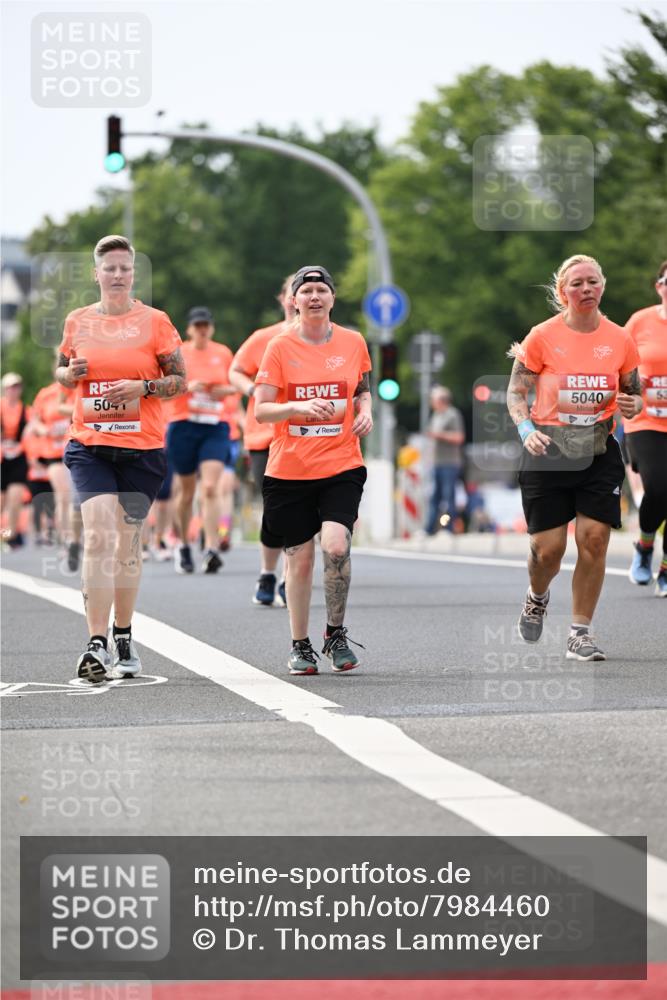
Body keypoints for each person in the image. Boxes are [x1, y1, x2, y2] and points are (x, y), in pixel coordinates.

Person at [56, 234, 186, 683]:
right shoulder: (77, 321)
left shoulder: (155, 322)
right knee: (97, 536)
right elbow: (60, 369)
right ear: (96, 274)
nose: (116, 275)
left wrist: (142, 387)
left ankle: (124, 633)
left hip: (142, 449)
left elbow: (179, 381)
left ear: (133, 274)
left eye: (124, 268)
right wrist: (68, 374)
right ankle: (96, 642)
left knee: (127, 546)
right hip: (89, 444)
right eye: (108, 268)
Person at [506, 254, 642, 661]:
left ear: (603, 286)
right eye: (577, 283)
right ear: (562, 292)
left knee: (594, 539)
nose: (586, 289)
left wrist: (632, 405)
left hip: (598, 451)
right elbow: (516, 392)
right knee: (547, 551)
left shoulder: (620, 339)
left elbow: (632, 392)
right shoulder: (542, 336)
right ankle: (537, 595)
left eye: (593, 282)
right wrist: (526, 429)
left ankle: (579, 632)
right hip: (548, 450)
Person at [254, 265, 373, 675]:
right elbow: (261, 410)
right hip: (290, 470)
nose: (315, 297)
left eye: (322, 290)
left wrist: (366, 412)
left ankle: (335, 634)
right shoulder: (279, 347)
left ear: (332, 298)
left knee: (336, 546)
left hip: (342, 463)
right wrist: (296, 408)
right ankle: (300, 645)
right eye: (307, 291)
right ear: (294, 301)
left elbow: (361, 387)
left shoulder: (353, 341)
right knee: (299, 561)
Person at [229, 275, 295, 606]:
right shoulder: (264, 338)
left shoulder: (324, 342)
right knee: (275, 507)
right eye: (293, 291)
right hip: (264, 435)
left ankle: (288, 579)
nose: (299, 298)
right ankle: (268, 573)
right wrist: (253, 390)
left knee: (301, 511)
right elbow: (235, 371)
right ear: (283, 298)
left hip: (304, 435)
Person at [166, 306, 236, 574]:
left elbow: (234, 385)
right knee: (186, 492)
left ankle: (211, 547)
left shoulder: (223, 353)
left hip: (215, 426)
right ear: (189, 329)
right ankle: (183, 545)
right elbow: (164, 389)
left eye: (206, 325)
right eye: (197, 326)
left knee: (209, 487)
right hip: (183, 424)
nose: (202, 330)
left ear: (212, 328)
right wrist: (186, 387)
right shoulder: (179, 354)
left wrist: (222, 391)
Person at [624, 260, 667, 597]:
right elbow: (618, 362)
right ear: (659, 287)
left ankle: (665, 568)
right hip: (646, 419)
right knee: (659, 486)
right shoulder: (640, 322)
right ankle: (644, 546)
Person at [424, 385, 465, 534]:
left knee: (449, 497)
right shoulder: (436, 415)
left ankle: (449, 528)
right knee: (434, 497)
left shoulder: (452, 415)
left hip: (450, 463)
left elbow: (459, 437)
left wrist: (439, 435)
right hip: (437, 462)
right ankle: (429, 529)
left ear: (441, 400)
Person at [0, 372, 30, 548]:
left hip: (18, 457)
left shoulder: (25, 409)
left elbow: (29, 433)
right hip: (2, 458)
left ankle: (10, 537)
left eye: (17, 386)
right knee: (1, 501)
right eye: (11, 387)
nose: (14, 390)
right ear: (5, 389)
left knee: (15, 499)